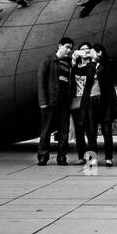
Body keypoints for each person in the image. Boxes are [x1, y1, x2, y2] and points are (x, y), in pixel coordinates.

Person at [37, 38, 75, 166]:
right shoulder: (48, 61)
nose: (69, 50)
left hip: (64, 103)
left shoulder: (69, 64)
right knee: (46, 130)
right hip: (50, 102)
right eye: (67, 47)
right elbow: (41, 82)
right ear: (59, 46)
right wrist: (43, 101)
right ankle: (43, 156)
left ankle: (62, 157)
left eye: (71, 48)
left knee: (64, 131)